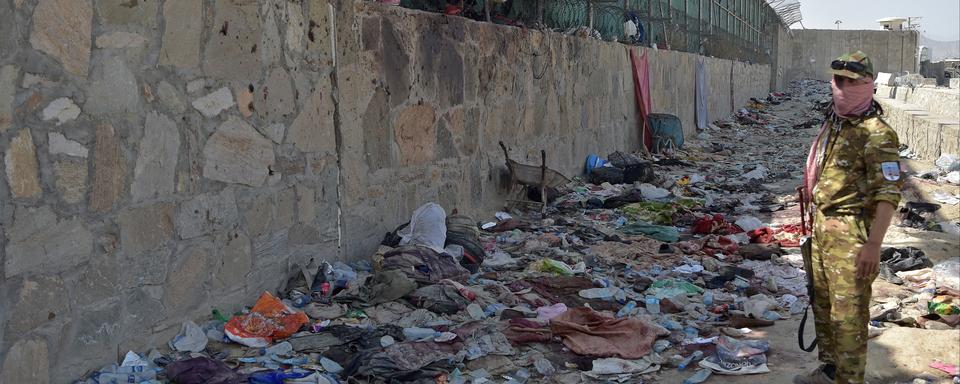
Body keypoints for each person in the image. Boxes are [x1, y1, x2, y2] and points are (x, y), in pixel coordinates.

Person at [797, 51, 903, 384]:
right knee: (824, 309)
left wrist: (873, 245)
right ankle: (829, 371)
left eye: (851, 82)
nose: (842, 87)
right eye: (838, 80)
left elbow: (888, 195)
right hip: (823, 231)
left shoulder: (877, 134)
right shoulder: (837, 123)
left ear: (867, 84)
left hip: (852, 238)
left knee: (848, 320)